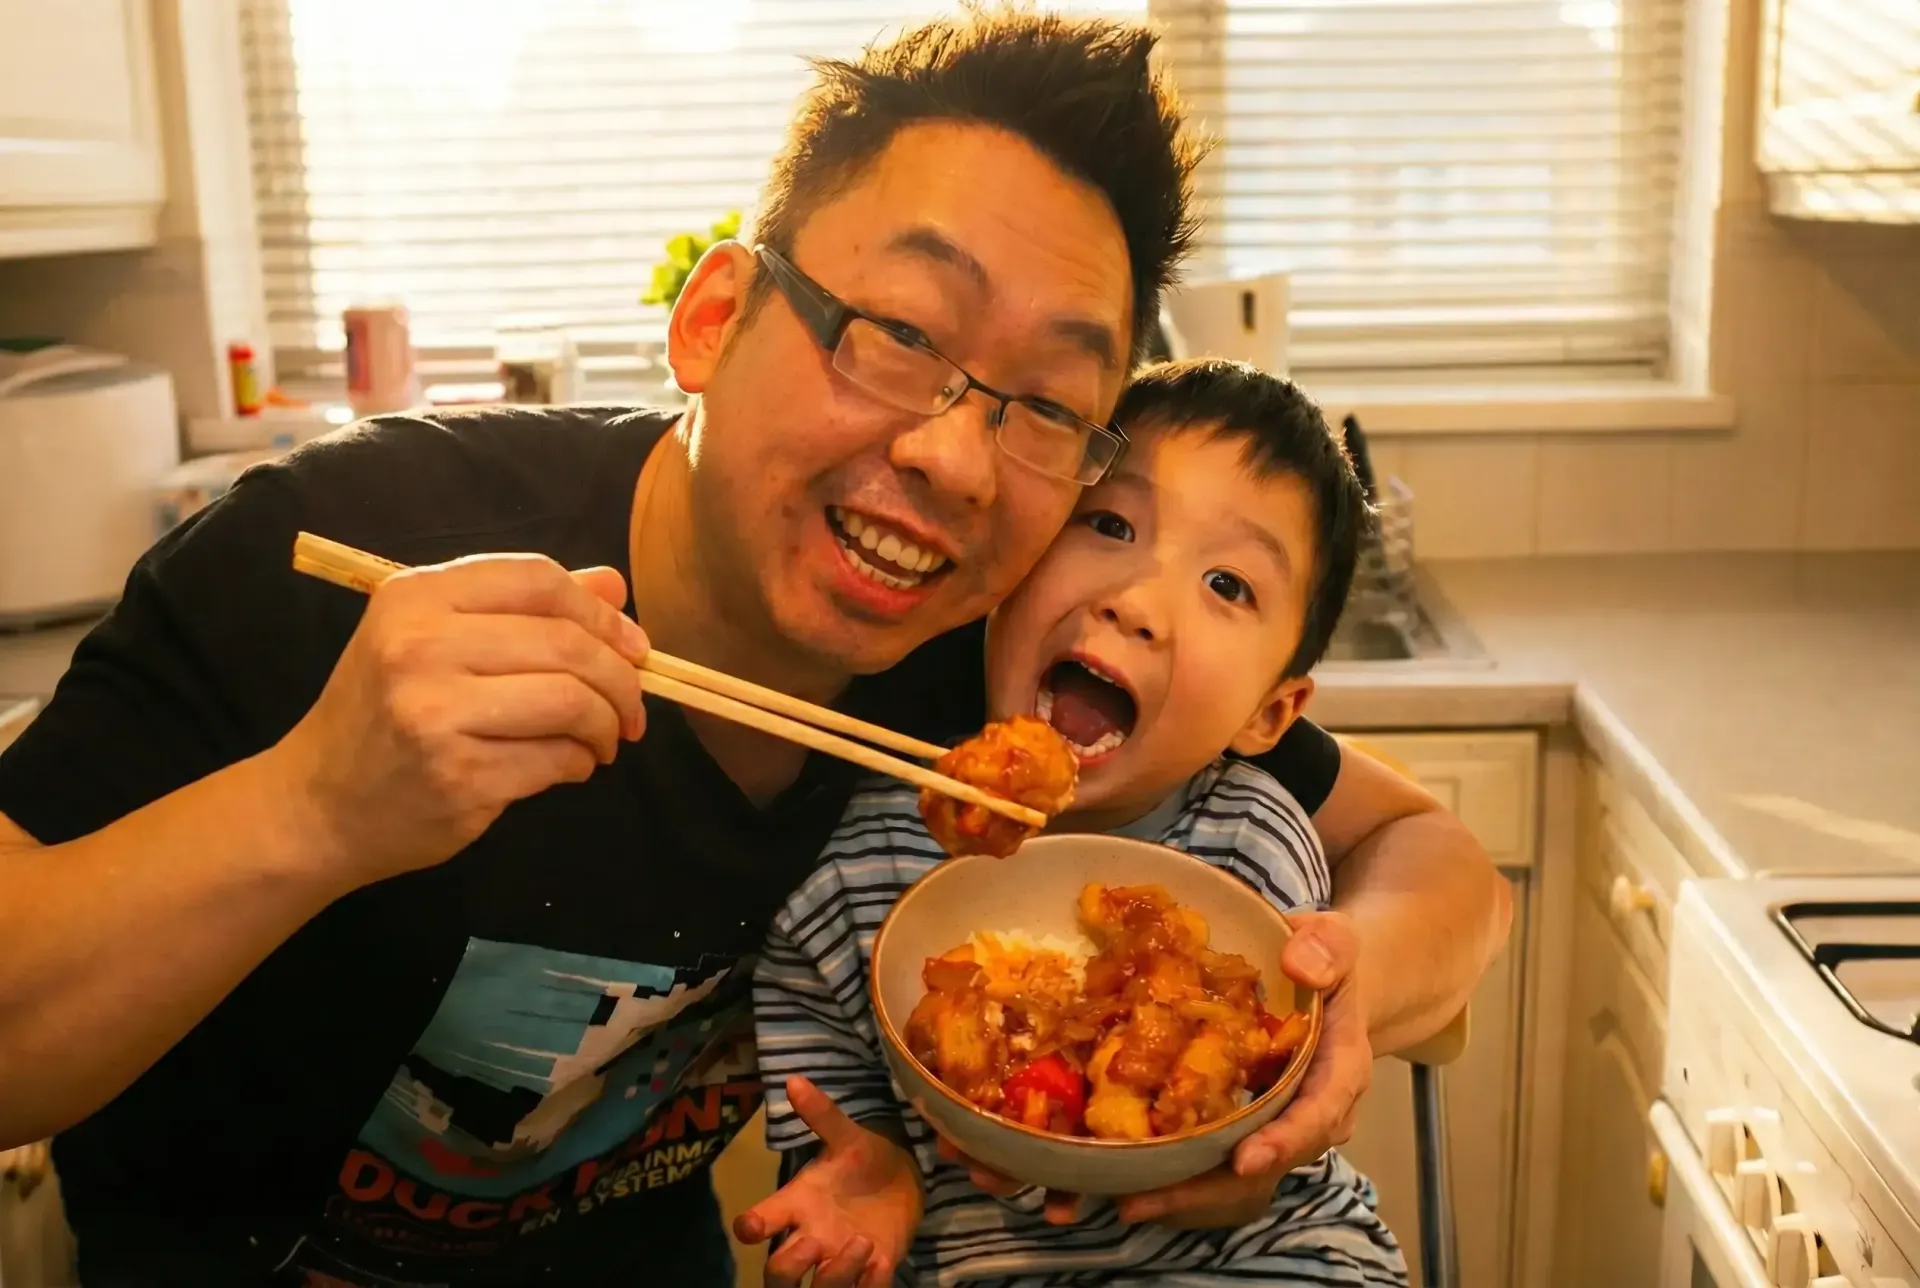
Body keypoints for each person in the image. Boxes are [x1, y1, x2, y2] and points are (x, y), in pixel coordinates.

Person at [0, 9, 1508, 1287]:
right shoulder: (353, 547)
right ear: (715, 319)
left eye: (1046, 407)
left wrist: (1336, 993)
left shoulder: (986, 649)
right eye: (903, 332)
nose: (958, 462)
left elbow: (1428, 854)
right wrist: (315, 808)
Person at [744, 359, 1406, 1288]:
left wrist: (1260, 1156)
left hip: (1269, 1253)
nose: (1135, 602)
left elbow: (1275, 1085)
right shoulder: (857, 866)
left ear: (1270, 712)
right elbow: (841, 1114)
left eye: (1227, 583)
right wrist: (870, 1173)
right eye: (1108, 524)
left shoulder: (1261, 838)